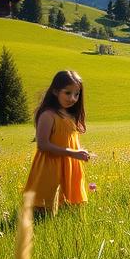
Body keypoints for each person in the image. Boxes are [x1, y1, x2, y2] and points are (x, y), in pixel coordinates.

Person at [23, 70, 92, 217]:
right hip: (51, 167)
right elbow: (42, 144)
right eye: (67, 93)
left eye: (76, 94)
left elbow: (69, 141)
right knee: (46, 209)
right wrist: (73, 153)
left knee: (68, 210)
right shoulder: (48, 115)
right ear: (55, 91)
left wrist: (81, 152)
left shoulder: (71, 116)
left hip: (71, 166)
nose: (73, 98)